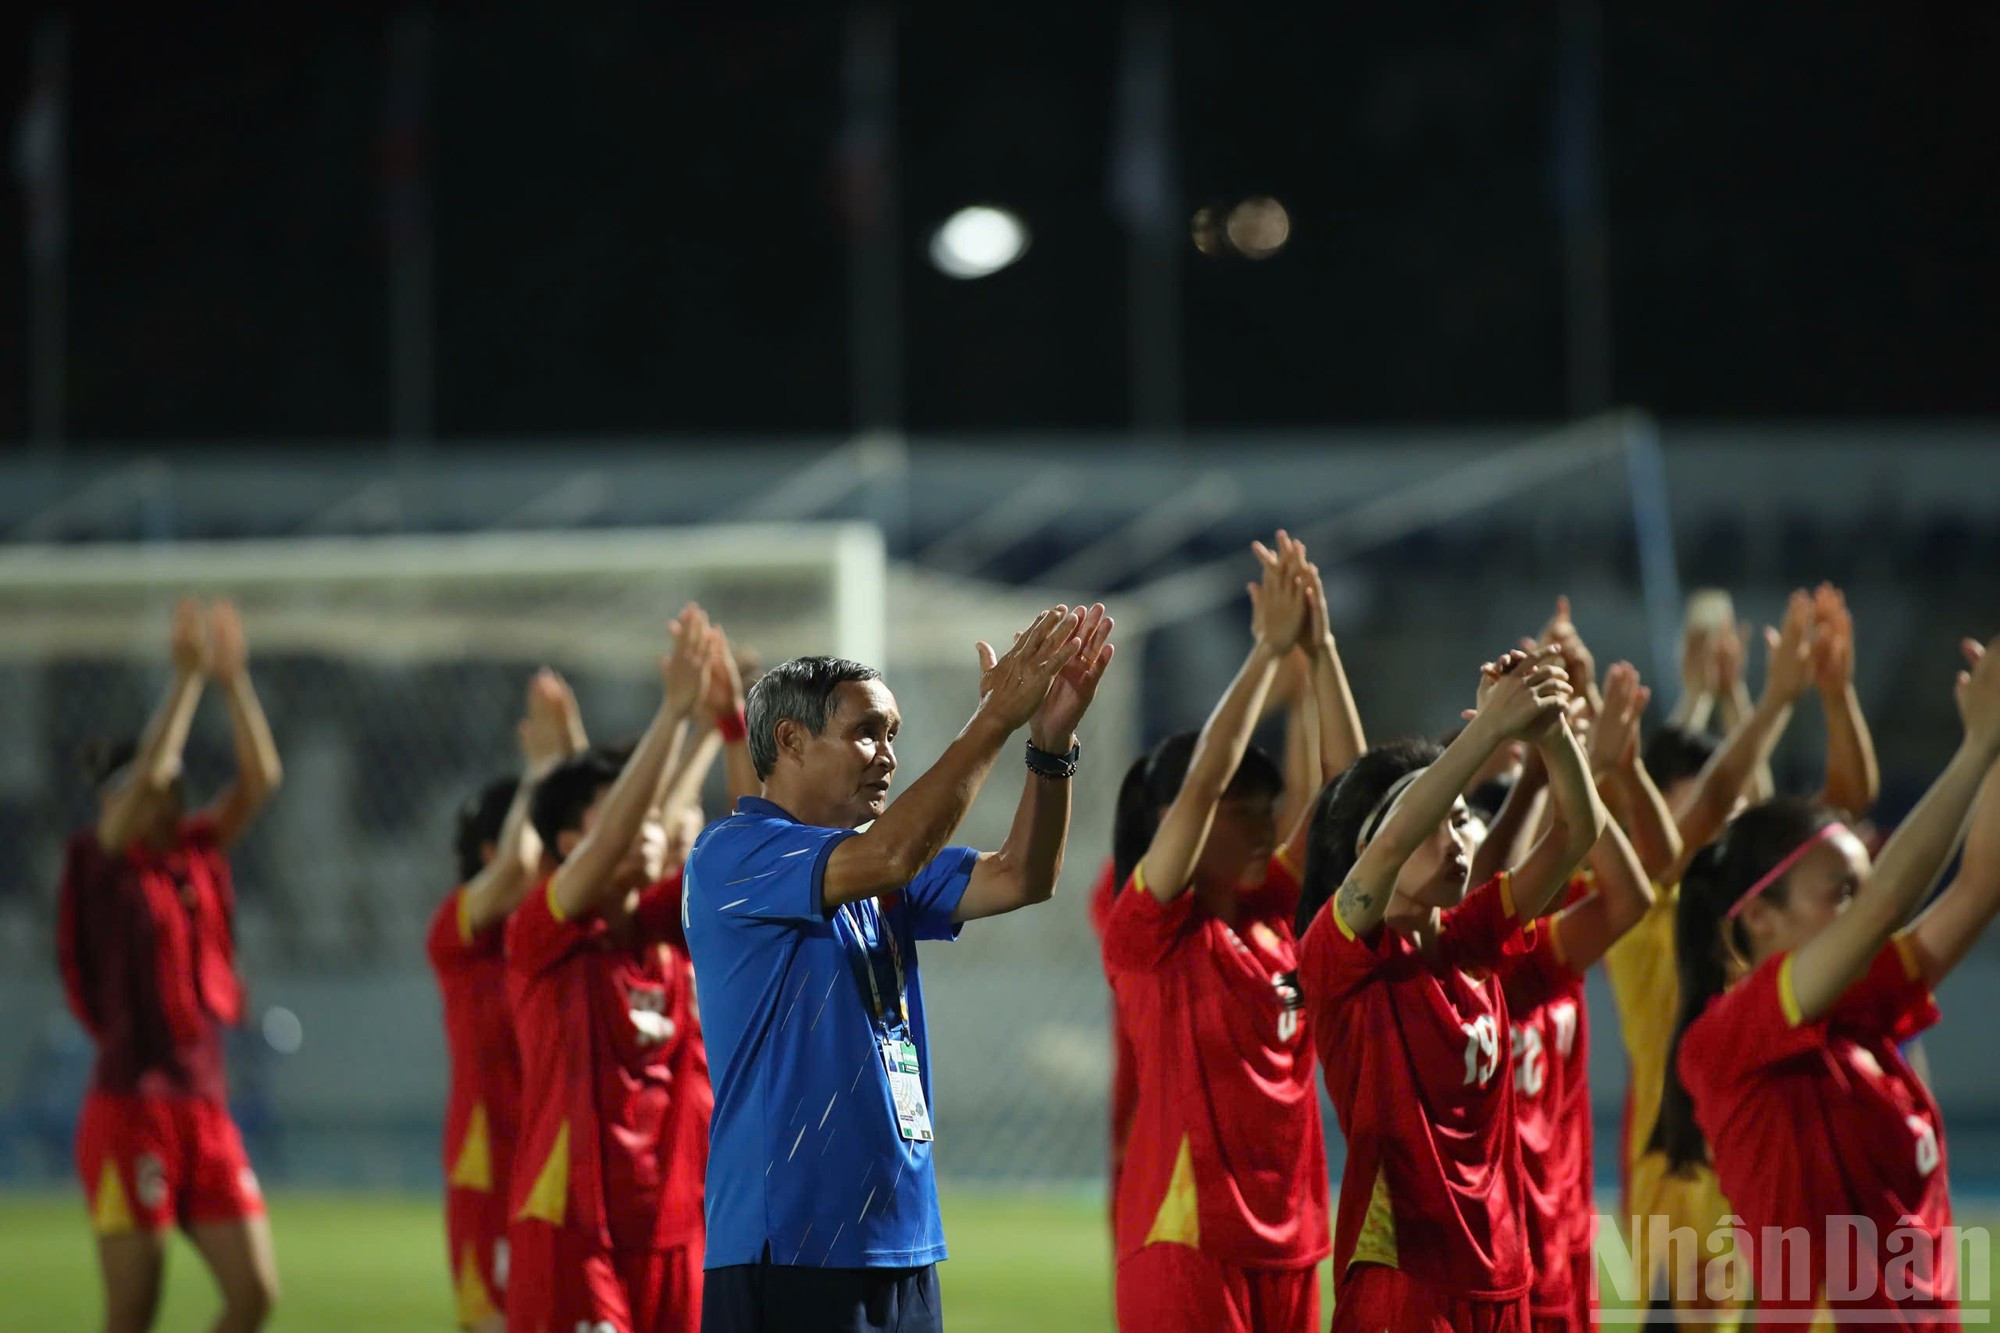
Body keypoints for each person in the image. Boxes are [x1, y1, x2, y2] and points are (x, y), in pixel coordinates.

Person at [685, 602, 1116, 1333]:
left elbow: (1021, 874)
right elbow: (891, 852)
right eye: (864, 732)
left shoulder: (877, 867)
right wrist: (991, 721)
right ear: (789, 740)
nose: (887, 753)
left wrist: (1048, 743)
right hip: (791, 1246)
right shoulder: (735, 853)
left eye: (892, 735)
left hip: (902, 1241)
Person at [1653, 632, 2000, 1321]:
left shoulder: (1861, 1009)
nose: (1860, 911)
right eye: (1840, 891)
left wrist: (1995, 749)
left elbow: (1979, 884)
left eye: (1859, 889)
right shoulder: (1729, 1035)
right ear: (1758, 918)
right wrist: (1971, 751)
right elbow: (1886, 909)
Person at [1295, 645, 1607, 1332]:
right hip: (1406, 1283)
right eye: (1434, 821)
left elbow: (1579, 830)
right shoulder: (1342, 960)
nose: (1458, 835)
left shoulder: (1472, 939)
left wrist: (1548, 732)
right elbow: (1385, 849)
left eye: (1461, 815)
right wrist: (1486, 730)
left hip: (1502, 1274)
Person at [1102, 534, 1361, 1332]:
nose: (1263, 827)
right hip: (1189, 1244)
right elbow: (1206, 775)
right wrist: (1263, 654)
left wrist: (1321, 653)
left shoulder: (1280, 910)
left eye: (1264, 809)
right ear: (1182, 824)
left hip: (1294, 1241)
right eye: (1239, 812)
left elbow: (1351, 805)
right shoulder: (1148, 929)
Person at [1604, 587, 1879, 1320]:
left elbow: (1845, 801)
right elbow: (1712, 799)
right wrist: (1763, 700)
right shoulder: (1641, 909)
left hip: (1756, 1169)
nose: (1719, 828)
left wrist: (1832, 692)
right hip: (1676, 1184)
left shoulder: (1755, 912)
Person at [58, 599, 285, 1333]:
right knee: (134, 1307)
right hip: (132, 1105)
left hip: (203, 1103)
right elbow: (141, 789)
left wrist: (232, 680)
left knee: (253, 1293)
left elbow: (262, 779)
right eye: (151, 781)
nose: (169, 787)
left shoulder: (194, 851)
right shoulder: (100, 862)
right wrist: (184, 684)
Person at [503, 605, 724, 1333]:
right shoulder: (542, 928)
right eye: (619, 813)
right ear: (568, 842)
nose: (644, 821)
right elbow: (611, 848)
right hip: (573, 1225)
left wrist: (727, 729)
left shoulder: (669, 921)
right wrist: (673, 716)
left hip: (671, 1223)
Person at [1479, 655, 1661, 1333]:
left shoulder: (1545, 952)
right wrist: (1538, 765)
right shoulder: (1476, 962)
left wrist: (1568, 751)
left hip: (1563, 1234)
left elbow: (1642, 882)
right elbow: (1482, 887)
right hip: (1497, 1250)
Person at [427, 669, 587, 1331]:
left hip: (556, 1155)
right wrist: (545, 770)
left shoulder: (549, 930)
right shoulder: (456, 928)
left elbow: (589, 846)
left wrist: (572, 762)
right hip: (490, 1163)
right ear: (490, 850)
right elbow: (526, 865)